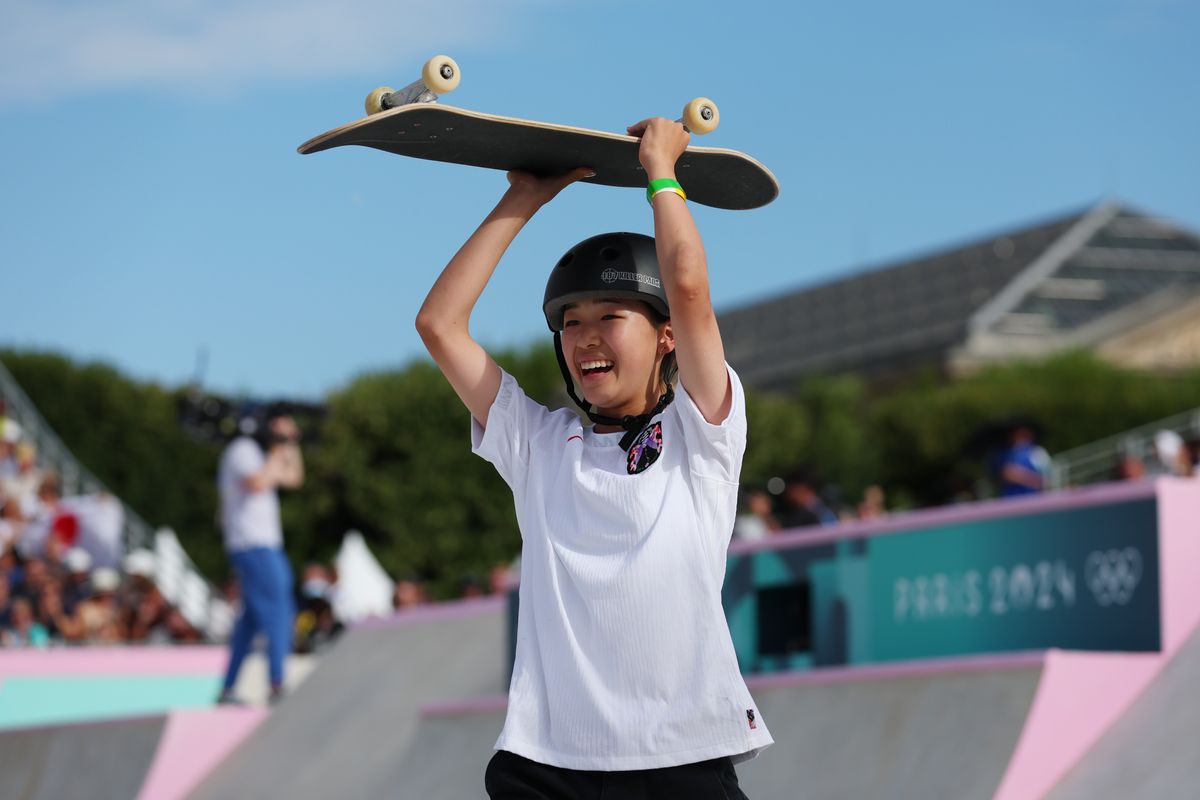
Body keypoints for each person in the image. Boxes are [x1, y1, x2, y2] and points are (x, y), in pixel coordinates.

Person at [416, 117, 771, 799]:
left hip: (682, 760)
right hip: (549, 768)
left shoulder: (704, 438)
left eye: (610, 317)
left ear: (666, 337)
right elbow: (439, 325)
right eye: (570, 322)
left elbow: (689, 287)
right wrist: (523, 198)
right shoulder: (540, 445)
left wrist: (661, 174)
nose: (585, 338)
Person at [216, 412, 303, 704]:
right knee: (280, 607)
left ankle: (228, 688)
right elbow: (258, 482)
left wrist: (290, 443)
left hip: (262, 545)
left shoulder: (260, 453)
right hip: (252, 544)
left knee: (251, 620)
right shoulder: (242, 449)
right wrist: (279, 447)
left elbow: (293, 477)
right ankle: (277, 683)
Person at [997, 424, 1050, 497]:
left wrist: (1021, 476)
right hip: (1011, 498)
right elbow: (1004, 474)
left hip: (1032, 497)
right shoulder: (1005, 454)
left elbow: (1045, 478)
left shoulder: (1037, 452)